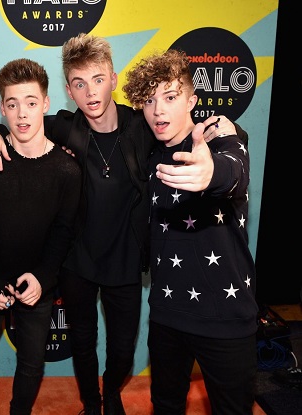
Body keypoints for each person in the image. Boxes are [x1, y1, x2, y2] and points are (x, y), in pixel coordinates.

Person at [0, 34, 245, 415]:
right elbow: (20, 120)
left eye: (98, 79)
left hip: (125, 261)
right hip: (78, 261)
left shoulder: (144, 125)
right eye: (79, 83)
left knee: (122, 350)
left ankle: (112, 389)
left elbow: (202, 137)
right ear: (68, 90)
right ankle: (92, 403)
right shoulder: (65, 127)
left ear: (114, 80)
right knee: (82, 342)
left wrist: (226, 134)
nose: (90, 92)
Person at [123, 48, 258, 415]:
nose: (158, 110)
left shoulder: (219, 137)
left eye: (170, 97)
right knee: (165, 406)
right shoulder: (150, 153)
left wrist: (211, 174)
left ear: (191, 101)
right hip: (167, 314)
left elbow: (234, 169)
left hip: (226, 316)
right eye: (149, 101)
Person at [0, 58, 81, 415]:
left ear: (45, 103)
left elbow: (63, 232)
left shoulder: (67, 169)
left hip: (37, 285)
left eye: (30, 102)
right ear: (2, 108)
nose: (22, 114)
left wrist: (43, 278)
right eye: (12, 104)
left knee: (31, 365)